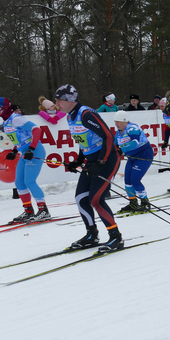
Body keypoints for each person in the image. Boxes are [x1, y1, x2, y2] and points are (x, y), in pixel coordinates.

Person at [56, 84, 125, 252]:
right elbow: (84, 141)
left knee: (96, 199)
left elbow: (108, 137)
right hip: (92, 160)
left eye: (58, 100)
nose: (56, 104)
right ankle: (91, 234)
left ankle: (116, 237)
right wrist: (78, 161)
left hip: (107, 159)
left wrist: (100, 162)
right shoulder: (70, 117)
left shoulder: (86, 114)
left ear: (67, 100)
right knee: (81, 198)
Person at [0, 97, 50, 223]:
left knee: (29, 181)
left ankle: (44, 210)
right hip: (25, 152)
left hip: (35, 151)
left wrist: (31, 148)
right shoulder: (6, 121)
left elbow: (36, 129)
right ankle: (28, 211)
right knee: (19, 182)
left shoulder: (16, 119)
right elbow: (17, 138)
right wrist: (14, 151)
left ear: (4, 108)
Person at [114, 111, 154, 212]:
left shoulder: (132, 128)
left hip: (143, 156)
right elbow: (114, 146)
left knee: (135, 180)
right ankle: (133, 203)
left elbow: (135, 142)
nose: (116, 124)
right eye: (115, 122)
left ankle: (145, 203)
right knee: (127, 181)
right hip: (132, 158)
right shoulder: (118, 133)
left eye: (118, 122)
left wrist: (121, 150)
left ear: (124, 121)